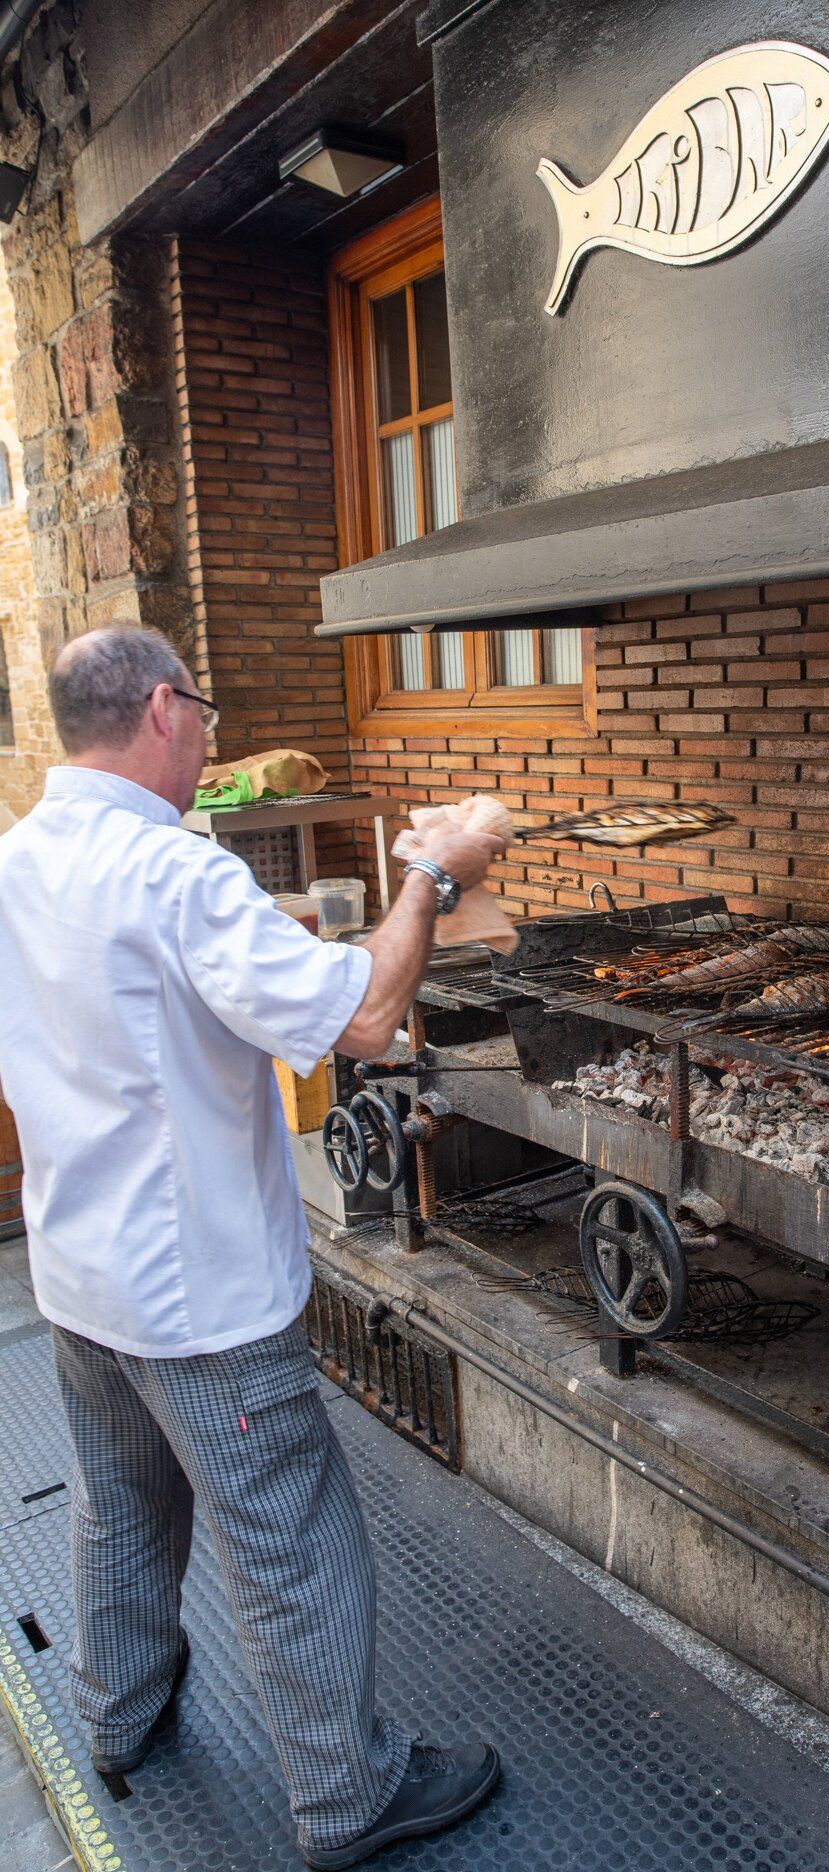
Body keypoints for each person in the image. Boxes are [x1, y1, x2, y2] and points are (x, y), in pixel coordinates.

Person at [0, 626, 506, 1870]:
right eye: (208, 712)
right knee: (292, 1535)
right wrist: (433, 875)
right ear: (165, 708)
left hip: (79, 1275)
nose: (216, 736)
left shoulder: (22, 854)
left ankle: (117, 1717)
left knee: (121, 1503)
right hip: (199, 1299)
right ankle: (348, 1797)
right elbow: (372, 1016)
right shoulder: (175, 876)